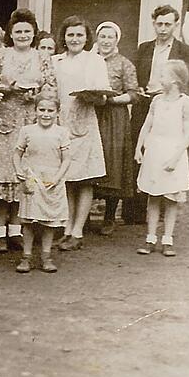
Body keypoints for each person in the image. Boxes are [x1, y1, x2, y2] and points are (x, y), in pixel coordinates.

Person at [0, 9, 57, 252]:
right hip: (5, 119)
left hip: (31, 120)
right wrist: (0, 91)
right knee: (3, 173)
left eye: (27, 31)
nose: (23, 35)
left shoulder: (42, 57)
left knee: (23, 174)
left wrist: (37, 95)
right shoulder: (0, 54)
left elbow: (51, 87)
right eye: (18, 31)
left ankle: (16, 229)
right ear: (11, 33)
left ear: (34, 33)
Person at [126, 5, 189, 224]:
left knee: (166, 158)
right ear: (153, 23)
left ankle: (163, 209)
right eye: (159, 24)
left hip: (170, 110)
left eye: (168, 24)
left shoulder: (184, 51)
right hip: (145, 107)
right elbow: (135, 78)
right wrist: (139, 88)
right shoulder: (144, 48)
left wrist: (172, 96)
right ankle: (136, 213)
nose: (163, 28)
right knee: (140, 155)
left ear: (176, 24)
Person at [51, 16, 110, 251]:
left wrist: (93, 96)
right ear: (63, 37)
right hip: (60, 121)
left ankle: (77, 231)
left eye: (79, 35)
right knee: (66, 178)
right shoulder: (55, 61)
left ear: (87, 38)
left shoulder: (95, 61)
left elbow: (104, 96)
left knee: (84, 179)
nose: (74, 39)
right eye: (70, 34)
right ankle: (66, 228)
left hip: (84, 121)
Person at [134, 60, 189, 257]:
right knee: (154, 196)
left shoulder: (186, 104)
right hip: (154, 152)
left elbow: (187, 134)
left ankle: (168, 239)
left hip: (173, 153)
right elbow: (147, 125)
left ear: (175, 80)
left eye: (163, 75)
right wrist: (139, 148)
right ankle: (150, 237)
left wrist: (175, 158)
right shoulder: (157, 101)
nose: (160, 79)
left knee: (171, 199)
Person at [12, 98, 71, 273]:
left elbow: (66, 159)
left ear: (57, 112)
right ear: (35, 110)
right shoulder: (27, 130)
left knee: (49, 222)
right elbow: (17, 154)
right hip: (32, 179)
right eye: (42, 110)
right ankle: (26, 256)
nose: (45, 114)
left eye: (50, 111)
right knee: (29, 221)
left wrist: (57, 178)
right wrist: (18, 170)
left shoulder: (62, 132)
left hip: (52, 180)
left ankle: (46, 256)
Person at [93, 22, 138, 236]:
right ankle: (82, 216)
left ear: (116, 40)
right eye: (102, 36)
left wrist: (112, 99)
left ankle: (109, 216)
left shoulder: (124, 64)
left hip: (113, 117)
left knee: (112, 163)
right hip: (90, 113)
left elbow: (133, 94)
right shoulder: (89, 60)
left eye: (110, 37)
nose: (106, 40)